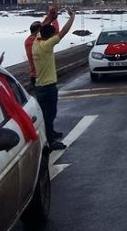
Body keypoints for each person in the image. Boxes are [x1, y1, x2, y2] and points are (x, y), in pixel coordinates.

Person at [33, 9, 76, 151]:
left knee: (45, 115)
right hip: (48, 86)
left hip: (39, 86)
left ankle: (49, 136)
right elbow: (63, 32)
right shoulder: (46, 46)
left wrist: (51, 16)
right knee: (49, 115)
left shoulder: (36, 43)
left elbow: (43, 27)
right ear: (49, 37)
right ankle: (50, 142)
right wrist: (72, 17)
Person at [25, 5, 61, 89]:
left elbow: (43, 25)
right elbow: (55, 32)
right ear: (38, 31)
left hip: (33, 75)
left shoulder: (27, 41)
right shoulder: (38, 40)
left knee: (40, 98)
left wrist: (50, 15)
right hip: (43, 76)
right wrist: (54, 19)